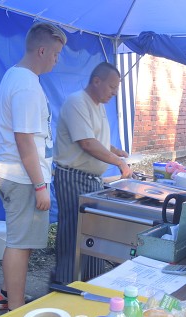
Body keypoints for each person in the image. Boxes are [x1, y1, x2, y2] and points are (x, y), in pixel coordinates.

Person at [0, 22, 67, 311]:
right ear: (43, 50)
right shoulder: (26, 85)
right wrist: (39, 185)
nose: (57, 59)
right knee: (20, 245)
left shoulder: (17, 77)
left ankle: (6, 295)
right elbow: (24, 141)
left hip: (14, 173)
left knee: (17, 238)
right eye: (56, 53)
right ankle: (16, 309)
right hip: (23, 178)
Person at [52, 62, 133, 284]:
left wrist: (118, 151)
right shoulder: (77, 102)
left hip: (92, 180)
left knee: (94, 236)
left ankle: (91, 284)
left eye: (117, 88)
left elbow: (98, 140)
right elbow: (87, 143)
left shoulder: (98, 105)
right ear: (96, 81)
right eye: (111, 87)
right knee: (73, 235)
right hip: (72, 178)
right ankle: (64, 286)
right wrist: (119, 163)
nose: (114, 93)